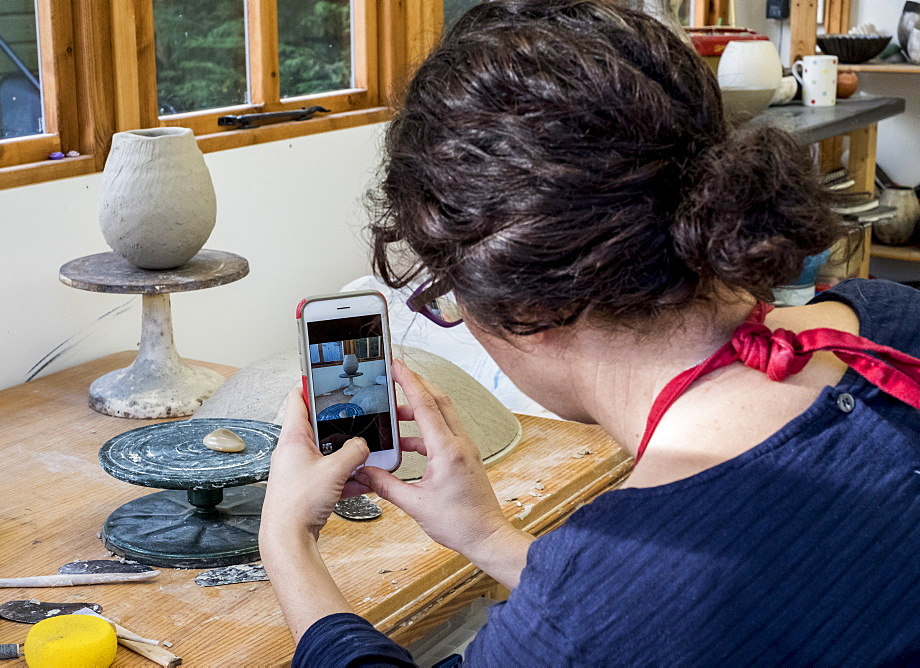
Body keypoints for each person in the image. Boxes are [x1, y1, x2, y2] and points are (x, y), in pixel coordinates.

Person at [259, 1, 920, 665]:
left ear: (530, 307)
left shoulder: (604, 599)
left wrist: (287, 542)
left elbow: (613, 626)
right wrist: (487, 535)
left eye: (450, 300)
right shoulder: (892, 321)